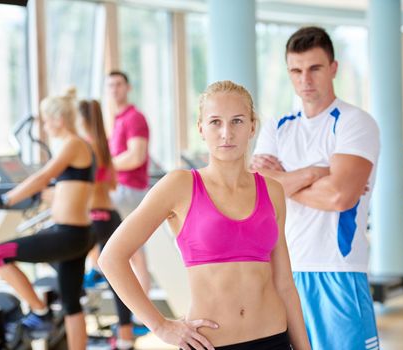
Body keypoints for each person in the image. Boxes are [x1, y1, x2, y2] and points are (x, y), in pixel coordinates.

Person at [98, 80, 311, 350]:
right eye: (215, 122)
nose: (226, 133)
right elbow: (111, 258)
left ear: (252, 126)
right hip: (210, 344)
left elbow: (285, 285)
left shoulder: (272, 190)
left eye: (237, 121)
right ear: (201, 128)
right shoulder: (179, 185)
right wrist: (161, 326)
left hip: (274, 338)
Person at [251, 26, 380, 350]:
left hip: (336, 270)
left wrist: (283, 180)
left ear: (333, 68)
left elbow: (340, 196)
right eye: (296, 70)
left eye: (314, 68)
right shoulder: (277, 127)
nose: (304, 80)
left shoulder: (354, 122)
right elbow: (256, 191)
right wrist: (315, 172)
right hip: (282, 272)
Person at [0, 91, 94, 350]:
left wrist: (6, 199)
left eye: (46, 121)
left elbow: (43, 176)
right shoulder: (79, 145)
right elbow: (65, 188)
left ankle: (39, 312)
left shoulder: (72, 143)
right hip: (77, 234)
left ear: (58, 119)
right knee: (71, 304)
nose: (45, 127)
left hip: (68, 235)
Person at [77, 99, 135, 350]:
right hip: (110, 215)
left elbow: (82, 188)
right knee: (116, 278)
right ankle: (125, 335)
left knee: (67, 264)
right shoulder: (104, 146)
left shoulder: (85, 148)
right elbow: (111, 185)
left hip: (96, 217)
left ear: (81, 121)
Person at [106, 70, 151, 295]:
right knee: (133, 252)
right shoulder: (117, 120)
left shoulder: (134, 118)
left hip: (129, 190)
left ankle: (140, 306)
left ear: (128, 88)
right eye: (111, 85)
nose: (115, 89)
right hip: (120, 189)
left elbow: (136, 156)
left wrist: (106, 166)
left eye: (119, 84)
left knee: (134, 250)